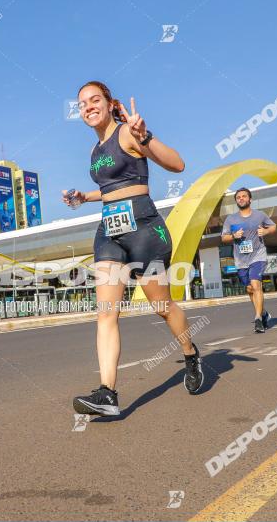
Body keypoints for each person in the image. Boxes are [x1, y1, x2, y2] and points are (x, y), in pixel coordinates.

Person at [64, 81, 204, 416]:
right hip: (109, 233)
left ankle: (190, 353)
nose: (88, 107)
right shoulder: (95, 151)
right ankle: (107, 393)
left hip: (143, 230)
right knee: (106, 313)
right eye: (82, 103)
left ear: (110, 103)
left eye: (94, 100)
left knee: (162, 306)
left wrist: (146, 136)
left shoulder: (128, 133)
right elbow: (114, 186)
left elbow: (178, 164)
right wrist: (86, 196)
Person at [221, 187, 276, 333]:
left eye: (244, 196)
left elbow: (273, 227)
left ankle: (258, 318)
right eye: (238, 197)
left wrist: (265, 231)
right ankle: (264, 313)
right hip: (241, 260)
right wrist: (233, 236)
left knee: (256, 284)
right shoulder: (231, 219)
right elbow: (224, 237)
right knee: (250, 289)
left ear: (250, 199)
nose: (241, 199)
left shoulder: (259, 215)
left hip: (258, 255)